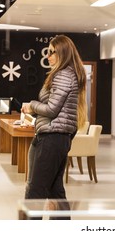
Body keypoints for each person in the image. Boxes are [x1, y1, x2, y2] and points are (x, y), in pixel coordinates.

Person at [22, 35, 87, 214]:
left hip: (52, 138)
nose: (48, 56)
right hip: (53, 137)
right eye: (48, 52)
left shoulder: (63, 74)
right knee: (55, 192)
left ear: (63, 53)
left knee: (35, 192)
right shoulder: (66, 74)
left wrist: (32, 105)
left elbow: (52, 109)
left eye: (52, 52)